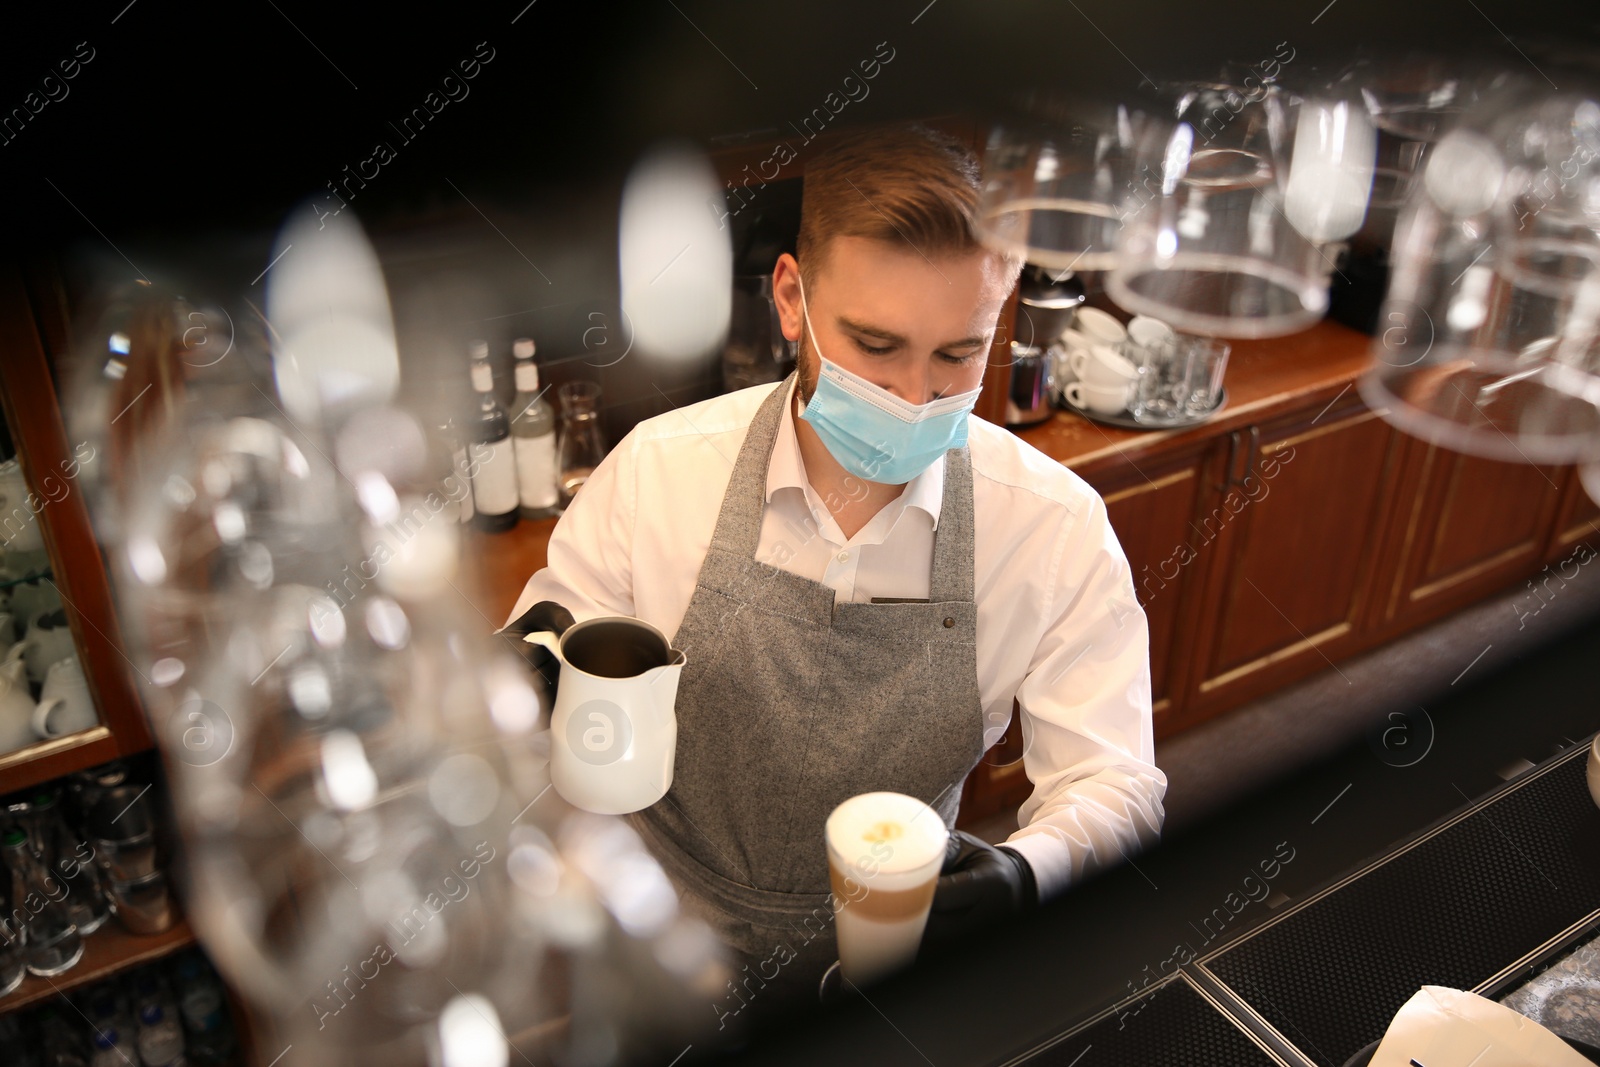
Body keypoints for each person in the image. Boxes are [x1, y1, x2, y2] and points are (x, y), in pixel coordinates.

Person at [504, 124, 1167, 1023]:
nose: (911, 395)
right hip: (662, 947)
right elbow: (563, 619)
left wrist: (1024, 875)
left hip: (899, 964)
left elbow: (1115, 781)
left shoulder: (1048, 526)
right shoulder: (660, 472)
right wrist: (537, 665)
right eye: (875, 344)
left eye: (957, 355)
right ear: (791, 299)